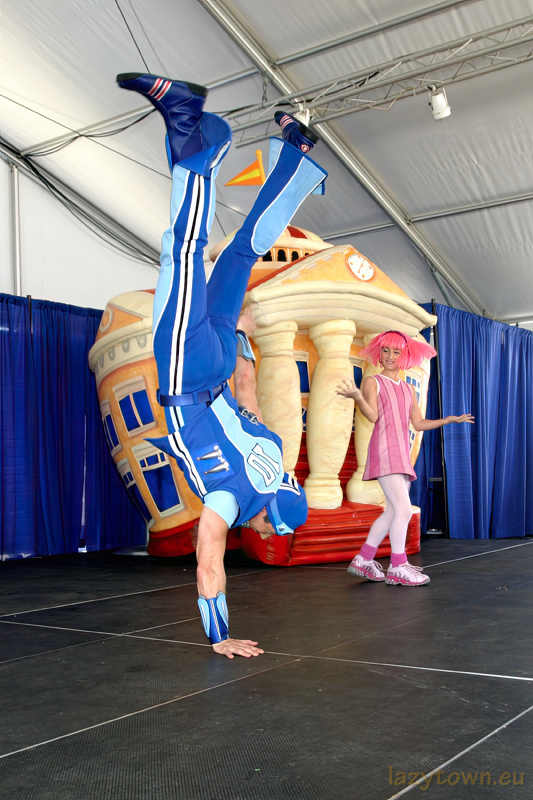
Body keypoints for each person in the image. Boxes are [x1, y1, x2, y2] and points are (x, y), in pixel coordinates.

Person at [116, 73, 327, 656]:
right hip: (186, 373)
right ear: (268, 520)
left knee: (240, 252)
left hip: (220, 356)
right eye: (268, 531)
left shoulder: (277, 455)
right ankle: (195, 134)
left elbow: (250, 392)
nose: (261, 536)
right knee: (179, 249)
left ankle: (296, 158)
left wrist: (240, 337)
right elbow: (209, 561)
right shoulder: (234, 500)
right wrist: (220, 636)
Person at [337, 330, 474, 587]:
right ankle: (398, 566)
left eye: (396, 351)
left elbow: (419, 423)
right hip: (384, 452)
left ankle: (364, 559)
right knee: (403, 510)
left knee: (392, 511)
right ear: (379, 352)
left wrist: (449, 420)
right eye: (386, 350)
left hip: (401, 454)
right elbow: (374, 416)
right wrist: (357, 397)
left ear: (405, 356)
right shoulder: (373, 382)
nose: (390, 356)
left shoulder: (409, 389)